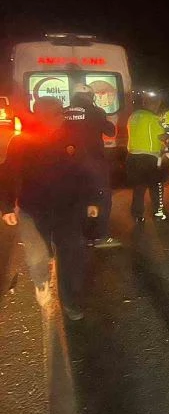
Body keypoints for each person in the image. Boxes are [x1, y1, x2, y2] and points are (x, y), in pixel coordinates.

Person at [0, 97, 102, 320]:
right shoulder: (22, 142)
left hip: (68, 209)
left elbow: (87, 171)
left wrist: (92, 200)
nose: (60, 118)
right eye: (55, 114)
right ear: (41, 115)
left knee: (72, 253)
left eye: (59, 113)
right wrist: (6, 207)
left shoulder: (72, 138)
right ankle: (42, 281)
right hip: (33, 210)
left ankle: (71, 301)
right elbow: (7, 174)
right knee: (38, 254)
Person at [62, 83, 120, 248]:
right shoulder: (96, 112)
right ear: (91, 97)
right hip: (93, 164)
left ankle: (76, 235)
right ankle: (99, 236)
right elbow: (110, 131)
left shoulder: (64, 112)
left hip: (68, 164)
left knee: (74, 198)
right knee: (100, 198)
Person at [127, 95, 167, 223]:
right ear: (154, 105)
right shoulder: (153, 118)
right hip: (149, 157)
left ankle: (137, 215)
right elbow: (161, 136)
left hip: (132, 156)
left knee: (139, 188)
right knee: (156, 186)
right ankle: (158, 213)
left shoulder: (133, 116)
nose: (157, 108)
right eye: (157, 105)